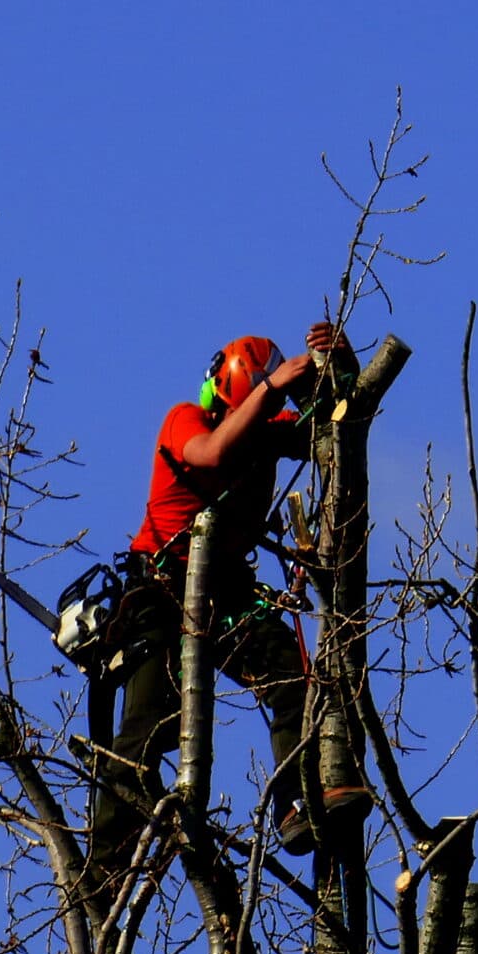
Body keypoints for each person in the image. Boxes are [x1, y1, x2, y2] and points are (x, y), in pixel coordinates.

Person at [84, 321, 371, 897]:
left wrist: (342, 369)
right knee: (149, 728)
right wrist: (271, 391)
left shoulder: (264, 433)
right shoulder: (185, 419)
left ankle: (296, 801)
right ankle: (105, 866)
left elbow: (339, 430)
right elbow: (211, 456)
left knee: (292, 674)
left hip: (228, 595)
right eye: (256, 406)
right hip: (159, 595)